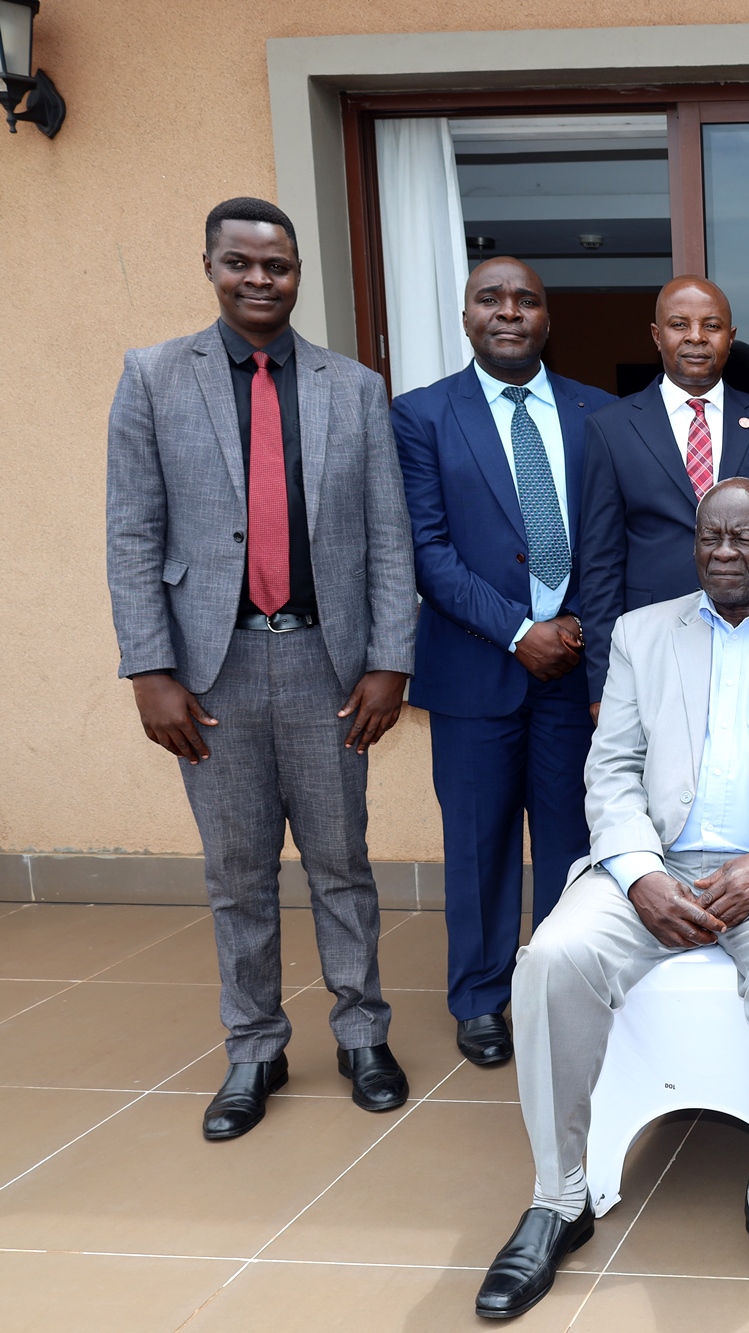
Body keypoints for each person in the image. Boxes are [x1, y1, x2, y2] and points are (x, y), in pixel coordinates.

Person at [475, 479, 749, 1318]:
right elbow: (612, 768)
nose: (725, 554)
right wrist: (639, 871)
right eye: (711, 539)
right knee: (552, 957)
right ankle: (559, 1200)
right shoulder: (640, 633)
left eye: (744, 540)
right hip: (656, 861)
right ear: (694, 544)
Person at [105, 197, 417, 1139]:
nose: (258, 279)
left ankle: (363, 1032)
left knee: (341, 860)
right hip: (212, 671)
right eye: (239, 263)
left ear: (296, 274)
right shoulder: (155, 377)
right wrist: (149, 668)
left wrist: (389, 660)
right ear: (209, 266)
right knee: (236, 868)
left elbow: (388, 536)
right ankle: (254, 1045)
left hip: (330, 662)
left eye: (275, 266)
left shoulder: (353, 387)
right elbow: (131, 532)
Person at [391, 257, 616, 1068]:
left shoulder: (601, 412)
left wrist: (580, 629)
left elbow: (609, 538)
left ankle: (561, 987)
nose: (510, 311)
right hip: (476, 667)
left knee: (570, 839)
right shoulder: (421, 416)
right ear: (466, 317)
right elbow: (426, 549)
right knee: (479, 844)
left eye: (526, 300)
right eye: (492, 298)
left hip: (575, 669)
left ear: (547, 319)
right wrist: (520, 629)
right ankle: (482, 997)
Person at [576, 276, 749, 708]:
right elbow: (600, 563)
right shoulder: (610, 428)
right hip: (652, 643)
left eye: (711, 325)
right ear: (656, 335)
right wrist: (602, 683)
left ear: (730, 337)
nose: (696, 338)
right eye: (679, 324)